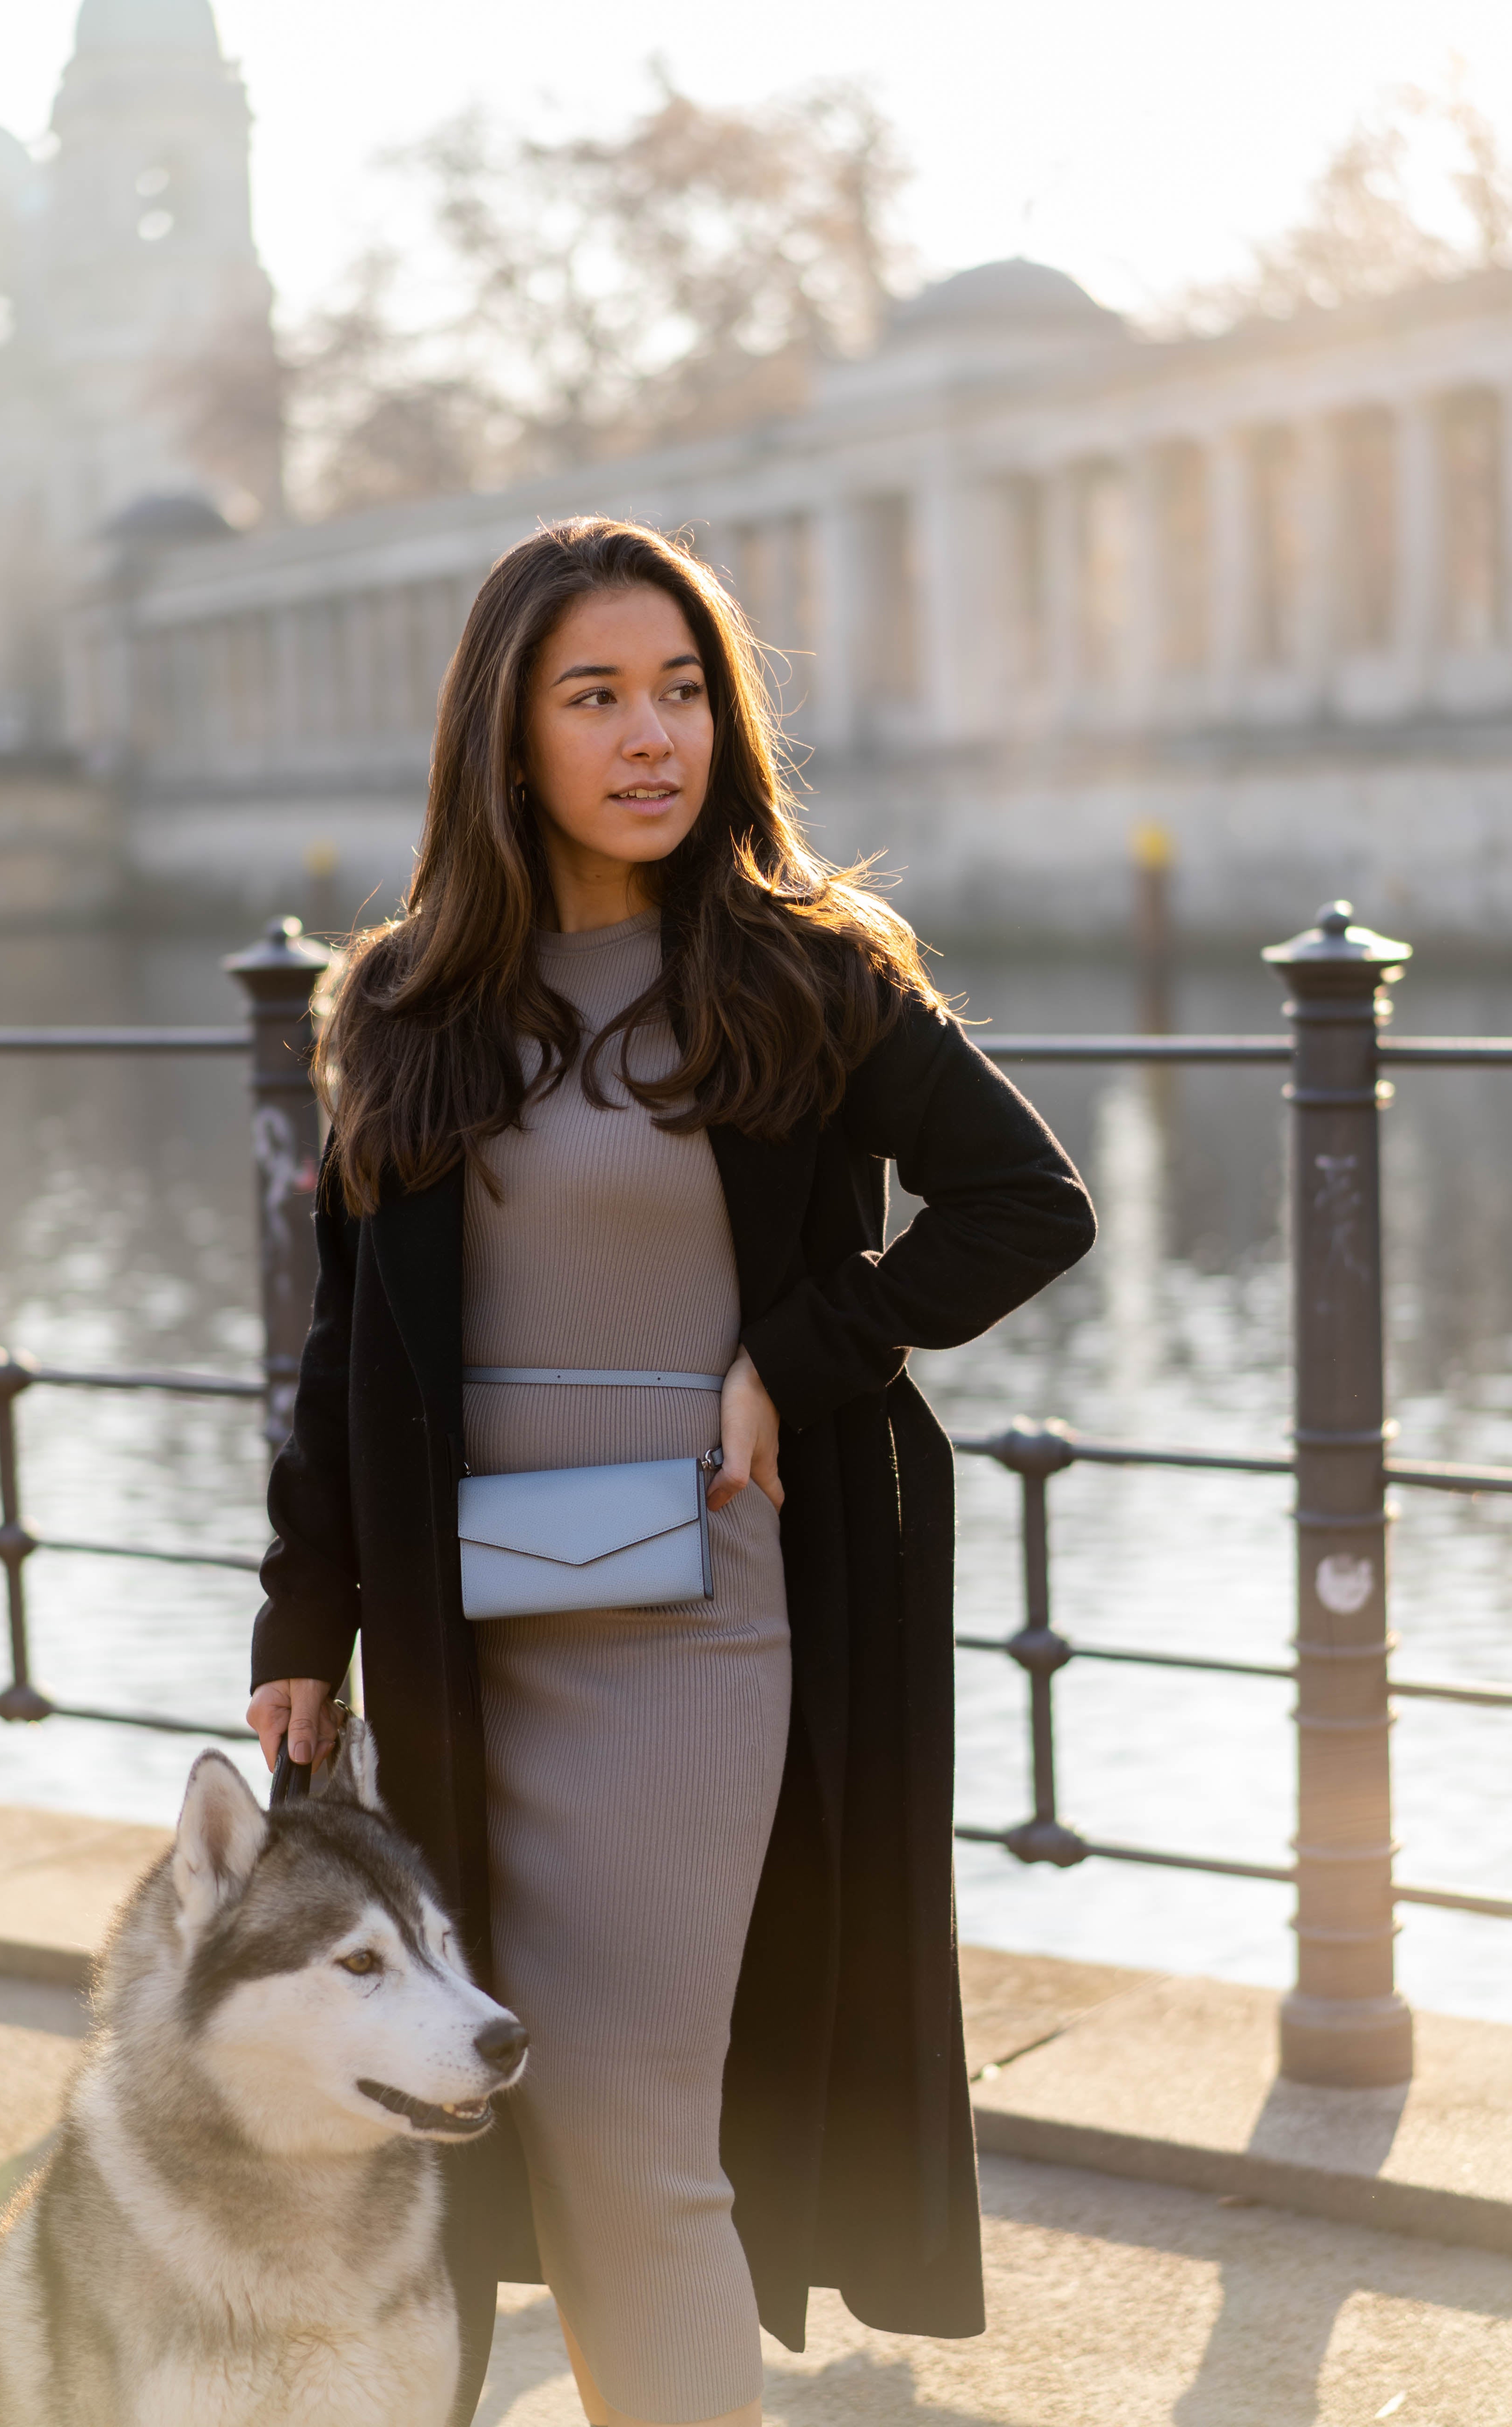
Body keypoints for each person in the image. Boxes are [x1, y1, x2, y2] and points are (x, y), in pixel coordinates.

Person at [247, 516, 1095, 2427]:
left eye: (685, 691)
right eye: (597, 696)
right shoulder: (398, 1008)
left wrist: (795, 1354)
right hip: (466, 1642)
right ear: (506, 734)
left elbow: (1023, 1206)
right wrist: (306, 1615)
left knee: (634, 2139)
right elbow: (341, 1345)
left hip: (701, 1625)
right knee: (515, 2152)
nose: (655, 736)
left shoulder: (799, 974)